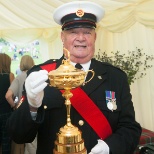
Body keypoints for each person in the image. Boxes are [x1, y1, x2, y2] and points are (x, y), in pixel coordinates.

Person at [6, 1, 142, 154]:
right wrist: (31, 106)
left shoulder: (115, 77)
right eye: (73, 32)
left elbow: (130, 128)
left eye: (87, 32)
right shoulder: (41, 75)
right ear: (62, 37)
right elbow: (18, 135)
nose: (81, 38)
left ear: (95, 37)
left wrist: (110, 147)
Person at [5, 55, 36, 154]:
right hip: (37, 111)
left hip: (24, 112)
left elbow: (8, 95)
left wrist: (14, 106)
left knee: (28, 142)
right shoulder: (36, 75)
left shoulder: (19, 77)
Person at [0, 53, 15, 154]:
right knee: (6, 141)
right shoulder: (10, 75)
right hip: (6, 112)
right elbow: (12, 95)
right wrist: (14, 105)